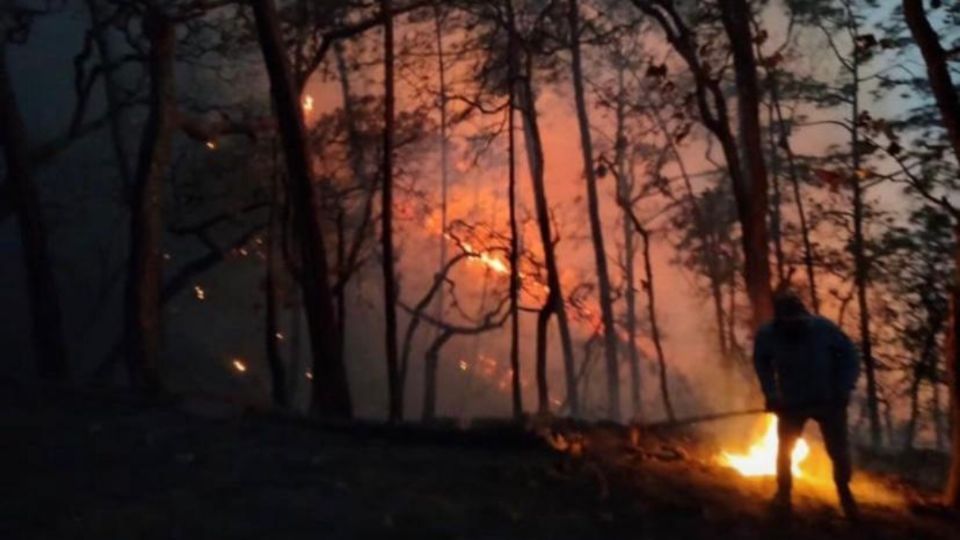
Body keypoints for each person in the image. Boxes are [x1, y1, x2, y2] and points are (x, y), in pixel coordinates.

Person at [753, 289, 861, 519]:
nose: (796, 326)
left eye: (799, 321)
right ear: (780, 320)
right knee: (785, 450)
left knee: (838, 451)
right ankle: (783, 494)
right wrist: (771, 394)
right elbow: (762, 363)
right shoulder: (769, 335)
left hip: (828, 401)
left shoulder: (823, 329)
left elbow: (851, 357)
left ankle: (844, 493)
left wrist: (843, 389)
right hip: (792, 402)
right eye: (789, 322)